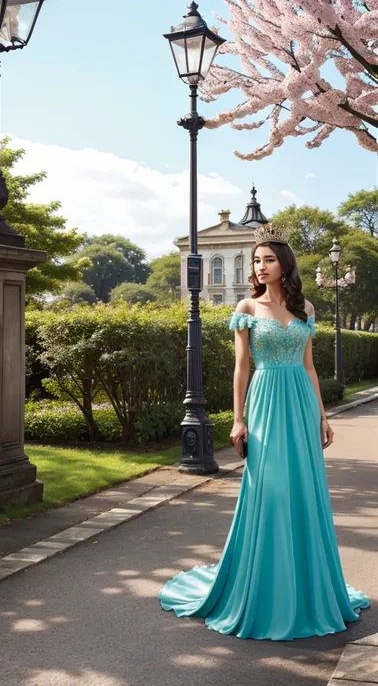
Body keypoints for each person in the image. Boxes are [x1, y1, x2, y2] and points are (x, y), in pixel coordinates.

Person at [158, 223, 369, 640]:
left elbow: (310, 367)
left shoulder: (305, 308)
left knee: (304, 491)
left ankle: (307, 588)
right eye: (257, 260)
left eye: (268, 259)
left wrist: (323, 416)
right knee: (268, 490)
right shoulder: (246, 309)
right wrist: (239, 419)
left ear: (285, 264)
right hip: (268, 400)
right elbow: (242, 368)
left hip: (300, 403)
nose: (260, 266)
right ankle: (263, 587)